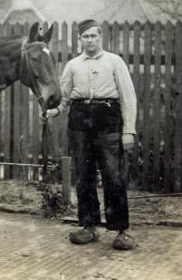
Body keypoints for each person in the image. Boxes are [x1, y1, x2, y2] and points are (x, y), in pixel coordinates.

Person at [42, 19, 137, 250]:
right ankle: (88, 226)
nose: (90, 40)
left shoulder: (115, 62)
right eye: (85, 37)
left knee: (113, 176)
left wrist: (128, 131)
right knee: (84, 176)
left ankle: (122, 230)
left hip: (109, 120)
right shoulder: (73, 65)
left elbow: (128, 98)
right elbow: (65, 98)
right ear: (80, 39)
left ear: (100, 37)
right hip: (80, 121)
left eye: (93, 36)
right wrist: (54, 111)